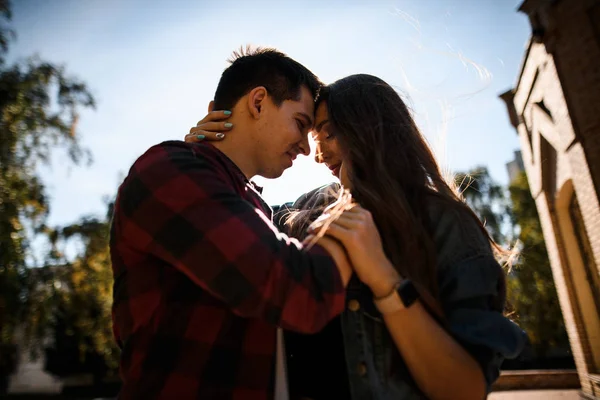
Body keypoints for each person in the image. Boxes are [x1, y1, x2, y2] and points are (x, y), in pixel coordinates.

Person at [186, 74, 527, 400]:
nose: (318, 155)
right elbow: (229, 224)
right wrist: (208, 158)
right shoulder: (307, 208)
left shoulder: (446, 225)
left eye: (328, 133)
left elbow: (466, 389)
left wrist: (385, 282)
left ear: (371, 129)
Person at [109, 47, 359, 399]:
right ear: (258, 102)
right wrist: (355, 210)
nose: (306, 149)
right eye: (301, 124)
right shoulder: (169, 169)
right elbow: (299, 291)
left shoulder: (252, 204)